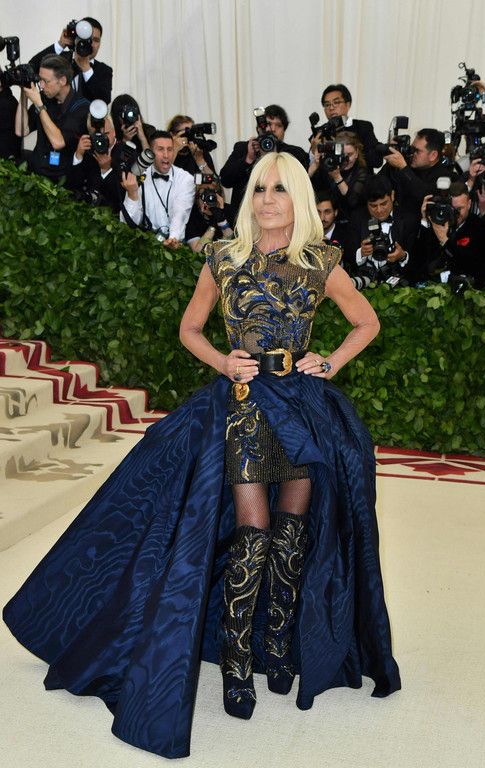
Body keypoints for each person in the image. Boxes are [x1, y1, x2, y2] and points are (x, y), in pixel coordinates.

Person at [3, 151, 400, 760]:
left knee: (292, 531)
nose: (267, 200)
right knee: (253, 530)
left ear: (297, 197)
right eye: (259, 189)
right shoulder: (224, 258)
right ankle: (236, 659)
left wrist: (330, 362)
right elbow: (190, 329)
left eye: (279, 189)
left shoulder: (321, 262)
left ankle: (276, 643)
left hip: (301, 408)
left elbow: (365, 323)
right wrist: (223, 361)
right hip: (242, 404)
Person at [220, 104, 308, 225]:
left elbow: (299, 184)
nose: (272, 129)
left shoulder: (294, 152)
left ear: (284, 130)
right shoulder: (243, 148)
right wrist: (248, 159)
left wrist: (273, 155)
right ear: (258, 127)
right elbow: (225, 180)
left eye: (278, 125)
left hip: (279, 218)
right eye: (268, 124)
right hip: (244, 220)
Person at [15, 54, 89, 181]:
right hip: (36, 174)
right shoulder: (44, 98)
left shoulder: (81, 107)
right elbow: (21, 130)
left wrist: (39, 105)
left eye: (46, 81)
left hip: (62, 180)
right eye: (40, 80)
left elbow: (58, 142)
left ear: (62, 81)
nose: (41, 85)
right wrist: (24, 94)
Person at [120, 129, 195, 248]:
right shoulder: (139, 175)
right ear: (151, 152)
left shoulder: (185, 179)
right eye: (160, 149)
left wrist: (172, 239)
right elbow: (127, 223)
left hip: (176, 246)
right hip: (145, 246)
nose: (166, 155)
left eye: (169, 149)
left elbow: (180, 213)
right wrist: (132, 194)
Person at [419, 180, 485, 287]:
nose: (456, 214)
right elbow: (421, 258)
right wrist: (424, 220)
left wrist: (445, 241)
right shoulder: (439, 220)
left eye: (459, 209)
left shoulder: (479, 227)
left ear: (469, 204)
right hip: (431, 284)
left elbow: (472, 267)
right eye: (452, 208)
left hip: (464, 287)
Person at [379, 128, 460, 218]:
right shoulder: (406, 165)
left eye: (417, 151)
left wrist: (403, 168)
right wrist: (392, 161)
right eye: (412, 148)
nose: (412, 153)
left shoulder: (445, 176)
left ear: (433, 155)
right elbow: (377, 184)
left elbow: (424, 195)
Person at [29, 17, 113, 104]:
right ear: (76, 38)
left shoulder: (104, 70)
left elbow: (104, 100)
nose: (90, 44)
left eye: (95, 40)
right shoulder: (60, 60)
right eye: (87, 38)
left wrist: (86, 69)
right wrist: (60, 45)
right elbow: (31, 67)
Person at [316, 83, 384, 170]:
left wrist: (352, 153)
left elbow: (376, 161)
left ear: (348, 104)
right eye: (327, 105)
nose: (331, 108)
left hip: (360, 177)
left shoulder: (363, 127)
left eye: (336, 102)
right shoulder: (319, 132)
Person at [309, 130, 369, 223]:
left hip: (351, 222)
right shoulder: (327, 166)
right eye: (342, 154)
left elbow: (353, 201)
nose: (346, 159)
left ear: (357, 153)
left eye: (350, 154)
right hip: (327, 221)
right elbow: (309, 189)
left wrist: (337, 178)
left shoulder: (361, 172)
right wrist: (315, 165)